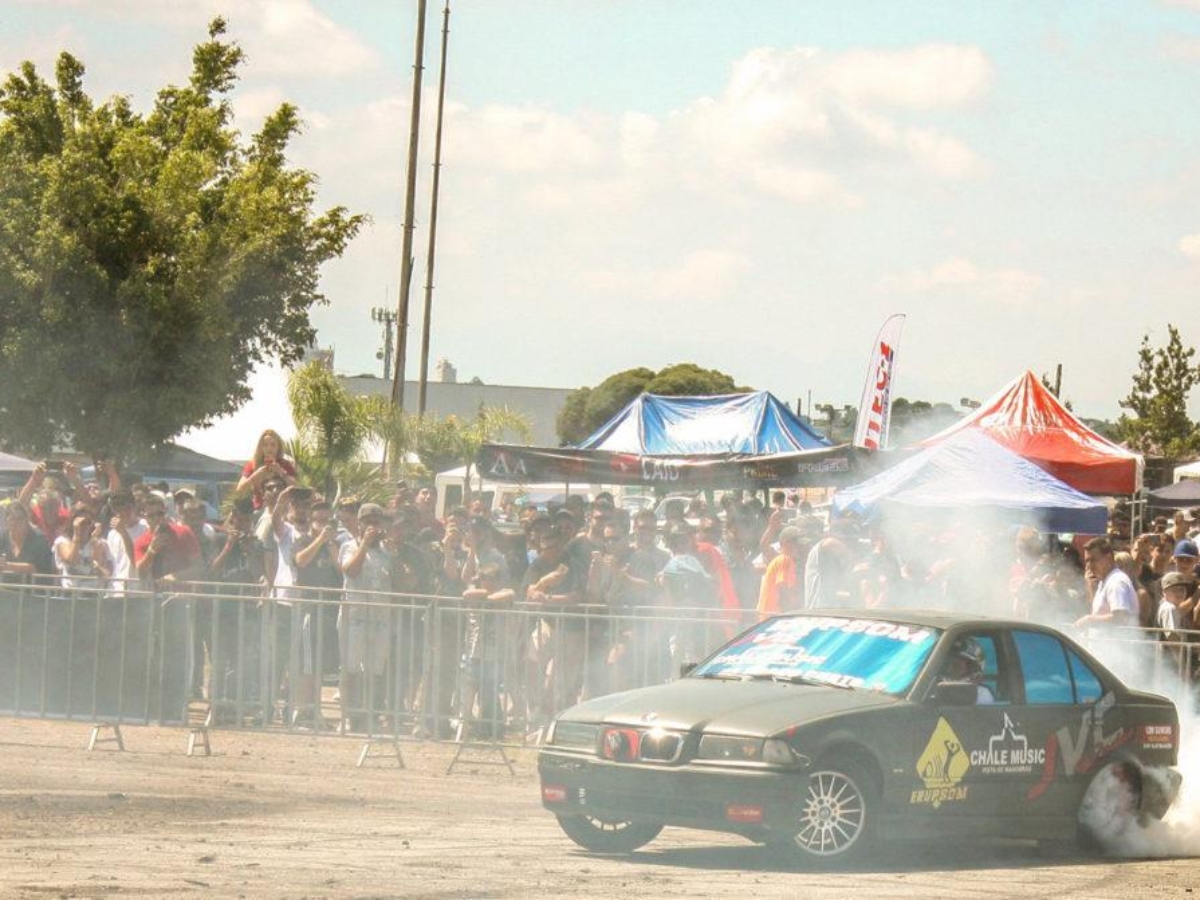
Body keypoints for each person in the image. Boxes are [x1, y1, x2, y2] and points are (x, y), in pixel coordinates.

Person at [1075, 536, 1139, 629]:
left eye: (1093, 560)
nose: (1089, 565)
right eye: (1087, 561)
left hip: (1116, 642)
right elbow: (1100, 612)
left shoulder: (1116, 581)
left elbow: (1121, 618)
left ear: (1108, 558)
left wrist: (1089, 620)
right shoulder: (1105, 581)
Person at [236, 429, 297, 509]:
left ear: (278, 447)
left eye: (273, 445)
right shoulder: (253, 465)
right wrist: (256, 474)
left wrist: (281, 472)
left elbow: (296, 488)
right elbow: (239, 491)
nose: (269, 448)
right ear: (261, 447)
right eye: (265, 445)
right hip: (259, 510)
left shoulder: (285, 464)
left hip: (281, 510)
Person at [757, 526, 804, 621]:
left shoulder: (780, 560)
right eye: (797, 543)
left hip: (768, 620)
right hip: (775, 620)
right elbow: (783, 592)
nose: (800, 547)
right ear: (785, 543)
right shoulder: (785, 560)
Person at [0, 502, 55, 581]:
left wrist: (8, 566)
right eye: (13, 519)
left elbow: (38, 568)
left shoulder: (39, 539)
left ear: (27, 519)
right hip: (6, 589)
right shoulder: (2, 537)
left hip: (33, 589)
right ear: (6, 521)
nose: (17, 522)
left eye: (20, 518)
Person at [937, 637, 996, 705]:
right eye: (947, 663)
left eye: (956, 665)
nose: (949, 668)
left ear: (972, 669)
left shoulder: (981, 694)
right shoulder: (932, 689)